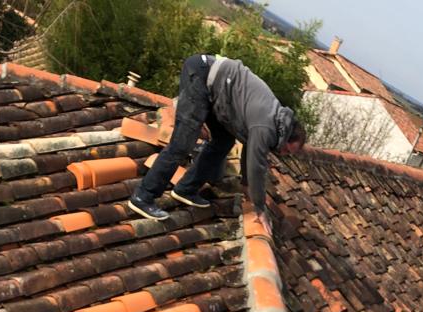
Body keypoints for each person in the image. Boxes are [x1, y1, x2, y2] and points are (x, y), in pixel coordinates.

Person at [129, 53, 306, 226]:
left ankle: (186, 189)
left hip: (217, 91)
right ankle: (143, 197)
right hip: (201, 74)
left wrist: (246, 183)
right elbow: (256, 165)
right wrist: (259, 208)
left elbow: (250, 147)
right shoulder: (267, 125)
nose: (283, 153)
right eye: (287, 150)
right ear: (287, 138)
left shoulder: (276, 122)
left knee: (224, 141)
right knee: (183, 142)